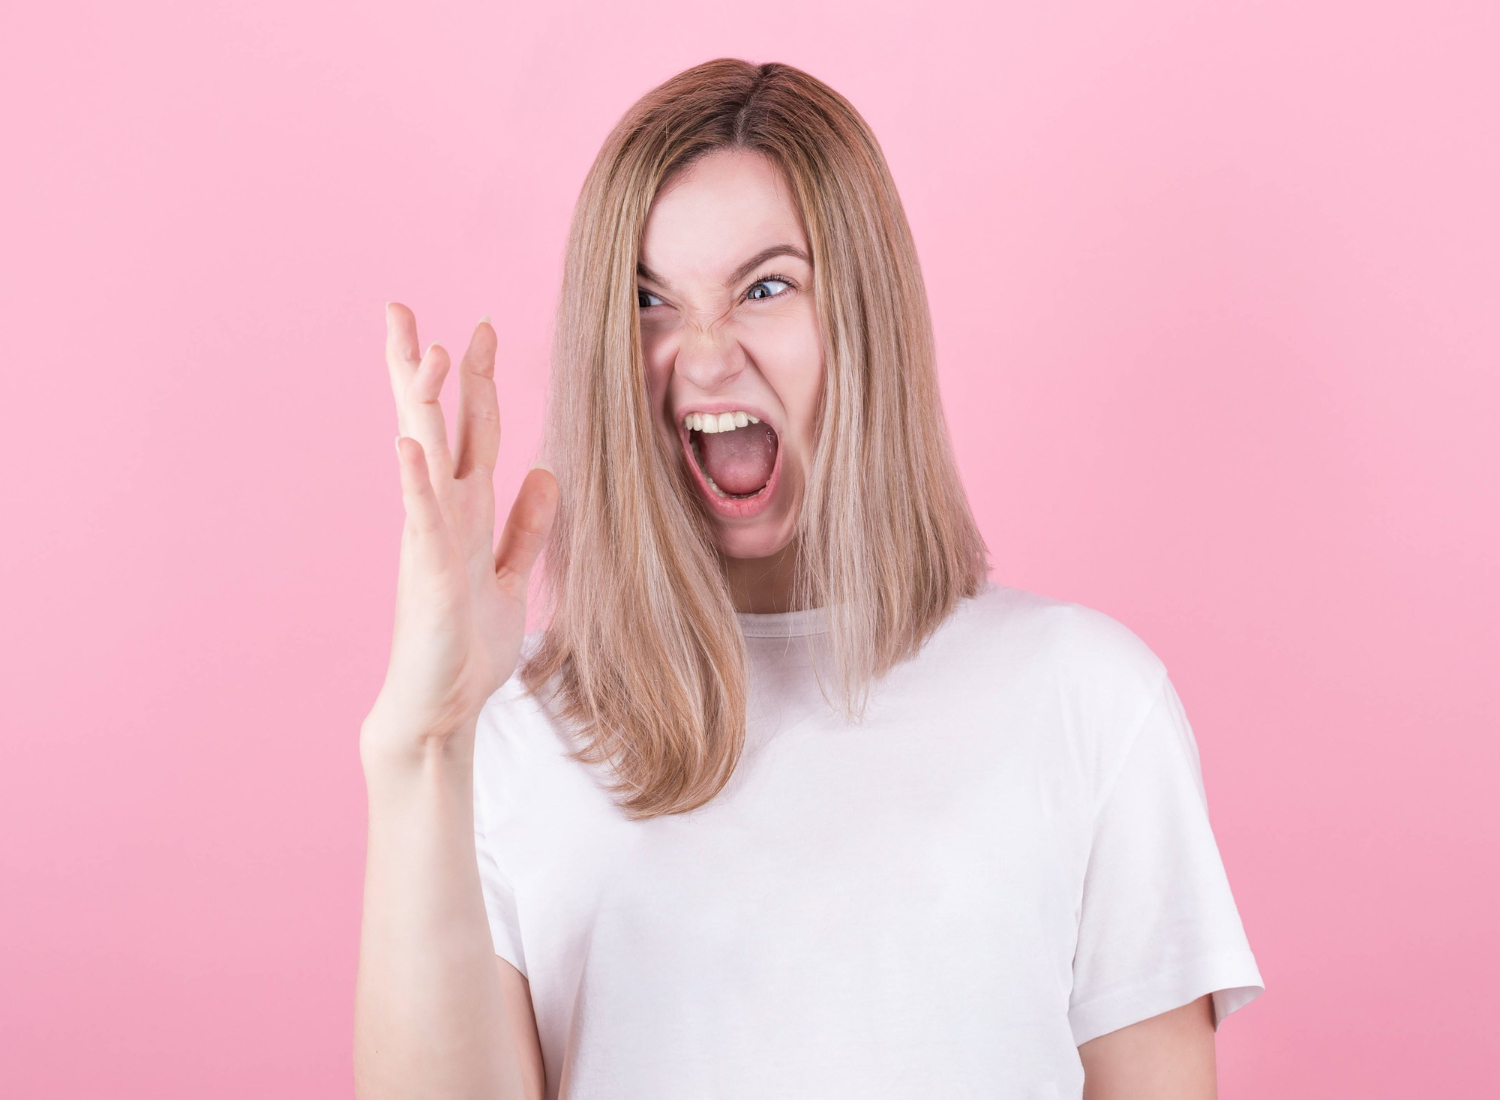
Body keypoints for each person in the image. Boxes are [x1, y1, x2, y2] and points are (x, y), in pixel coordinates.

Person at [353, 58, 1264, 1100]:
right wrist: (422, 742)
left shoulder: (1088, 699)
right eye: (649, 299)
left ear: (867, 318)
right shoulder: (507, 734)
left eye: (766, 287)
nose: (701, 355)